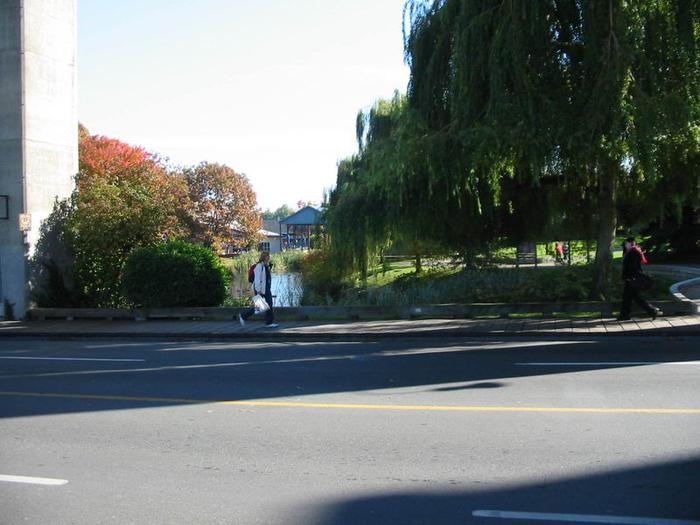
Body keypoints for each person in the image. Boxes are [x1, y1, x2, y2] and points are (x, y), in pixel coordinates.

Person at [618, 237, 659, 321]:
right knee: (628, 297)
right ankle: (625, 315)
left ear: (630, 243)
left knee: (634, 297)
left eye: (626, 244)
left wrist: (629, 278)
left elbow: (633, 267)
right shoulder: (632, 251)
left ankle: (652, 310)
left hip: (632, 278)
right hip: (631, 278)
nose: (625, 245)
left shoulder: (633, 252)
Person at [239, 251, 278, 328]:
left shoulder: (266, 266)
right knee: (259, 307)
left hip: (266, 288)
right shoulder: (259, 266)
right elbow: (257, 279)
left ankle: (269, 323)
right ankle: (243, 316)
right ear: (264, 257)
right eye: (267, 256)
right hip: (260, 289)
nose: (269, 257)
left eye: (269, 256)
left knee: (269, 305)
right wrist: (258, 290)